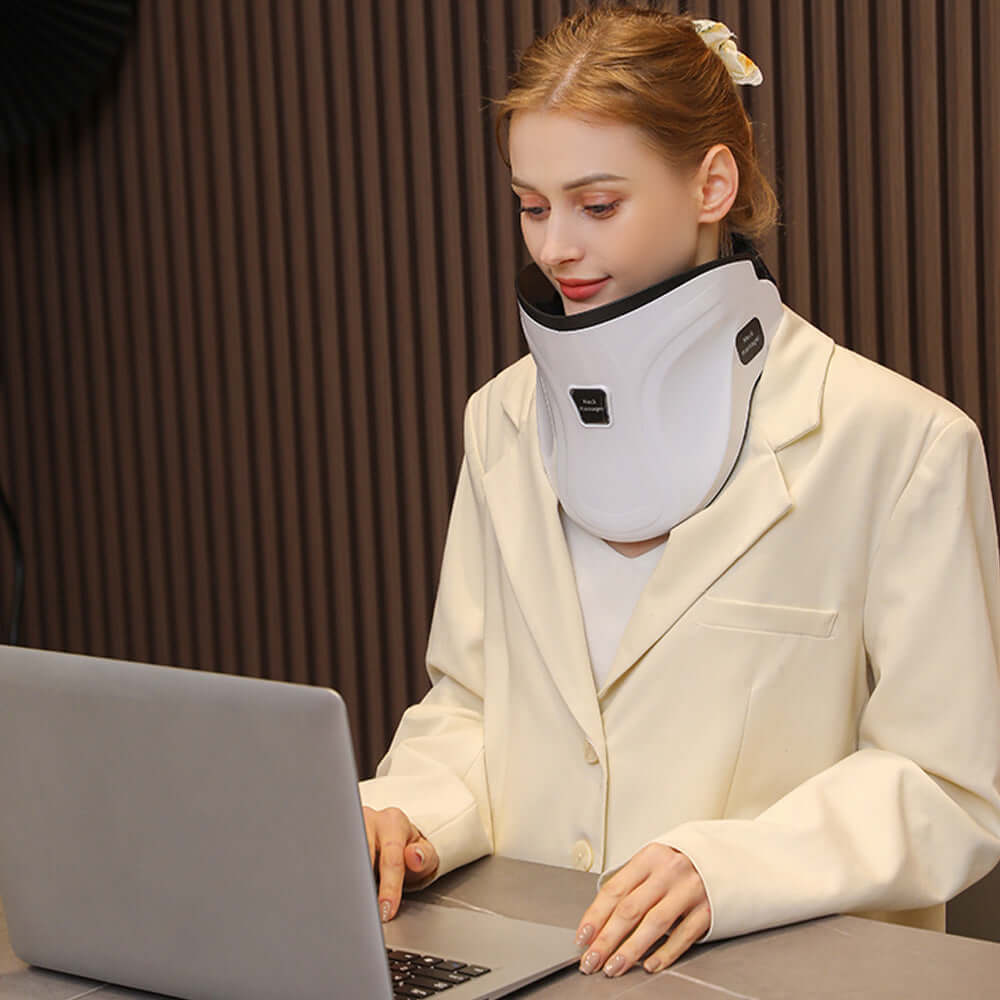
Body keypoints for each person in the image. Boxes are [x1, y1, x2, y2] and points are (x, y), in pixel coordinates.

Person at [359, 4, 1000, 980]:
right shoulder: (502, 421)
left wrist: (725, 865)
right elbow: (470, 705)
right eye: (532, 206)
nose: (554, 249)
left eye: (597, 204)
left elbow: (951, 784)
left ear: (711, 182)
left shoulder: (901, 443)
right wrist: (406, 811)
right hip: (538, 961)